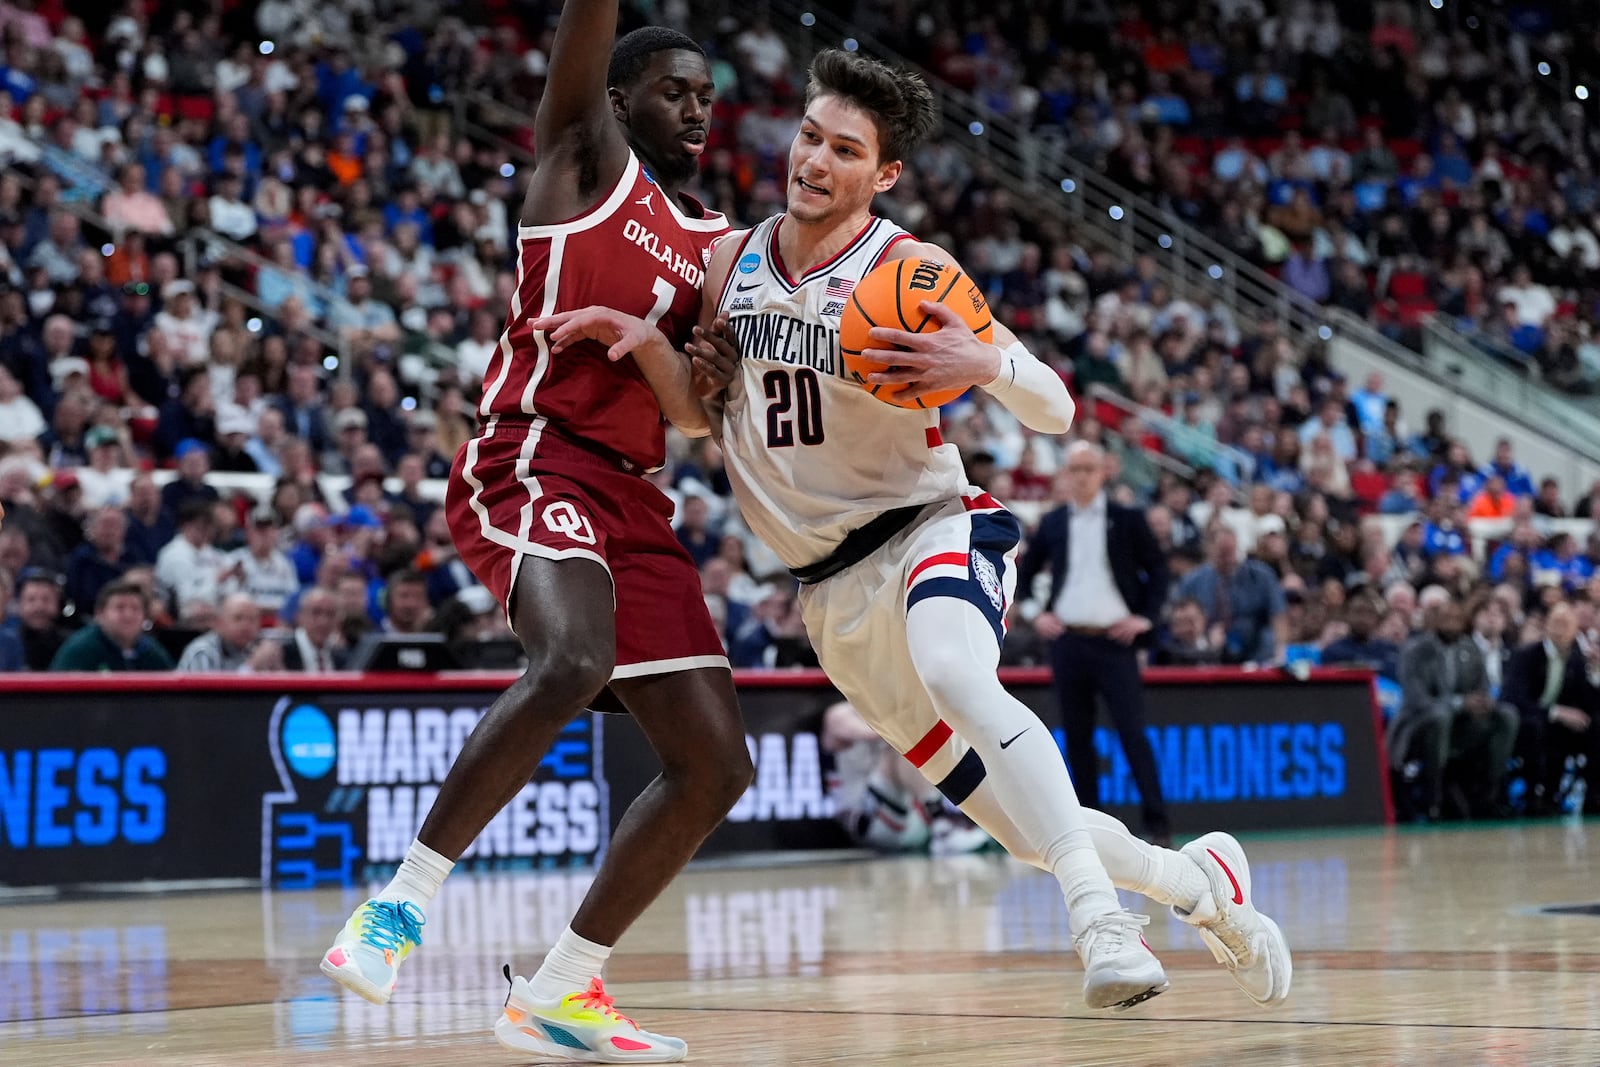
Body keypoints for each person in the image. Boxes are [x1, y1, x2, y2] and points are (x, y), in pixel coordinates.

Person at [543, 48, 1289, 1012]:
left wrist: (980, 360)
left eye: (844, 149)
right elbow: (701, 416)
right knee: (1021, 830)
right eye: (809, 136)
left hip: (932, 528)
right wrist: (655, 349)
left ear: (883, 174)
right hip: (830, 593)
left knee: (955, 671)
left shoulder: (912, 272)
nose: (813, 161)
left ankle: (1102, 924)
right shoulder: (728, 263)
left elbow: (1057, 409)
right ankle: (1202, 888)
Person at [319, 11, 752, 1064]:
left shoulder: (717, 245)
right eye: (673, 89)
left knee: (716, 765)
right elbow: (586, 40)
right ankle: (400, 903)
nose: (696, 107)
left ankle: (560, 988)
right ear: (616, 100)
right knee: (571, 656)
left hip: (637, 495)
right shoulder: (582, 162)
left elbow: (697, 417)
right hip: (534, 455)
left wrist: (649, 340)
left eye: (707, 94)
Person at [1017, 441, 1171, 845]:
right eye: (1074, 469)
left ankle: (1157, 823)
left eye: (1089, 468)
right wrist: (1037, 613)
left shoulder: (1128, 519)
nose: (1081, 476)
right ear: (1065, 475)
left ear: (1104, 471)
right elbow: (1024, 573)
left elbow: (1158, 568)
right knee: (1077, 735)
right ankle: (1090, 828)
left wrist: (1146, 618)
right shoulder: (1053, 523)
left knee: (1132, 732)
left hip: (1115, 642)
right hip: (1068, 641)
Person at [1392, 600, 1518, 820]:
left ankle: (1491, 796)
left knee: (1506, 715)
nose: (1452, 623)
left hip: (1462, 725)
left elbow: (1482, 688)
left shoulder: (1470, 648)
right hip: (1418, 724)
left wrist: (1483, 702)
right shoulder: (1416, 650)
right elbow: (1417, 699)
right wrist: (1459, 703)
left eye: (1457, 619)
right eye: (1446, 618)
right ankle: (1433, 800)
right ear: (1434, 621)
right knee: (1441, 716)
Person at [1504, 602, 1600, 816]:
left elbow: (1588, 703)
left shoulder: (1578, 659)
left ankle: (1594, 797)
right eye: (1556, 623)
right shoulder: (1526, 655)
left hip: (1563, 727)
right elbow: (1513, 698)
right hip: (1530, 722)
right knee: (1537, 728)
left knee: (1596, 725)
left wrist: (1595, 673)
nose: (1561, 629)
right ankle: (1535, 797)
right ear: (1546, 626)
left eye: (1567, 624)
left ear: (1576, 629)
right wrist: (1555, 712)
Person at [48, 580, 175, 671]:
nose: (128, 615)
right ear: (100, 614)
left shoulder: (151, 651)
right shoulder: (80, 650)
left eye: (135, 609)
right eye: (120, 608)